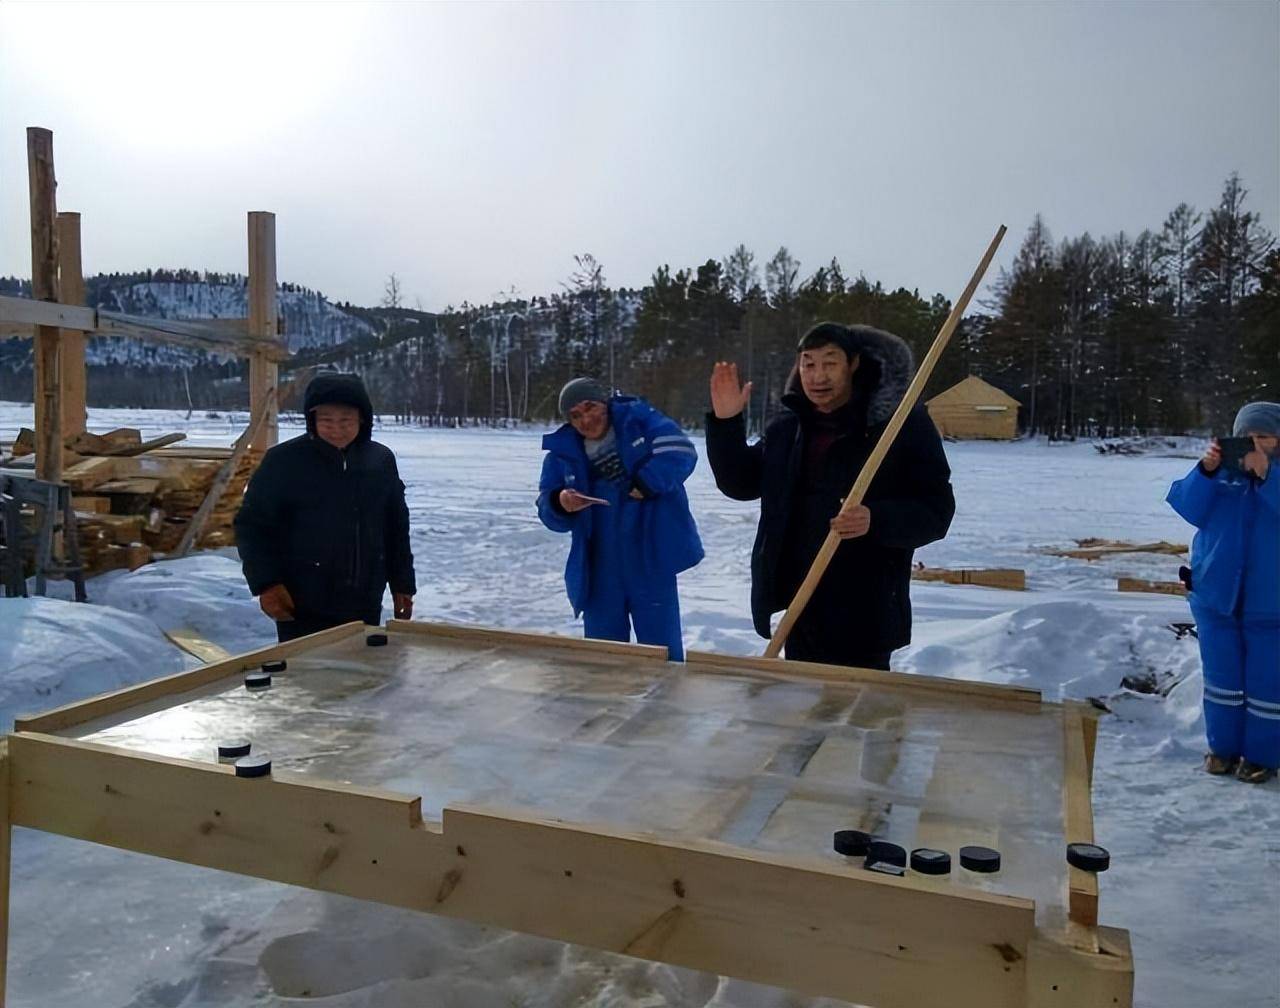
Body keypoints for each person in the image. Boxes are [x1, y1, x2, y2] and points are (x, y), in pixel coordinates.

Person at [705, 322, 954, 669]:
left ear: (853, 364)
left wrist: (875, 519)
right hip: (801, 603)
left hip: (866, 609)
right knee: (803, 712)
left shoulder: (899, 425)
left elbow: (936, 510)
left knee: (859, 717)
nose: (817, 375)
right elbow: (741, 483)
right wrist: (727, 423)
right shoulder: (789, 427)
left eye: (829, 362)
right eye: (808, 363)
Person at [235, 372, 416, 642]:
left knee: (360, 675)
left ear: (362, 419)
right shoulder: (284, 462)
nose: (337, 428)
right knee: (304, 677)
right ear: (312, 420)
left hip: (363, 598)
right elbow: (252, 525)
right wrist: (267, 584)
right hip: (301, 602)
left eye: (346, 420)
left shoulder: (380, 461)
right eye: (327, 420)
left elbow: (395, 527)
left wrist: (402, 583)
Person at [537, 377, 703, 660]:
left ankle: (665, 704)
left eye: (590, 407)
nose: (586, 419)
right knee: (604, 660)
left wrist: (647, 481)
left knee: (663, 657)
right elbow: (547, 508)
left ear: (605, 402)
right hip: (598, 569)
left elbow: (681, 451)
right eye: (576, 415)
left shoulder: (639, 421)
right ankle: (607, 706)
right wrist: (561, 502)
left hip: (651, 559)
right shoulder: (561, 454)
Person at [1166, 401, 1280, 784]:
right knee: (1222, 684)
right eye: (1246, 437)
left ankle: (1262, 757)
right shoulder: (1222, 476)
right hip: (1216, 601)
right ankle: (1223, 750)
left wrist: (1267, 478)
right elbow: (1185, 505)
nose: (1254, 444)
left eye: (1264, 437)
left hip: (1272, 608)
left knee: (1267, 687)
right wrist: (1206, 471)